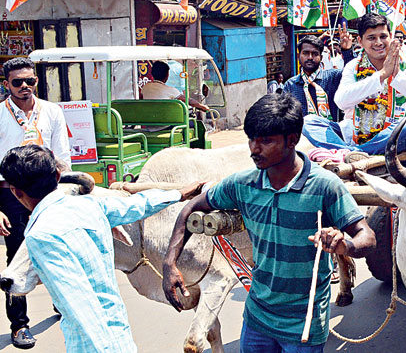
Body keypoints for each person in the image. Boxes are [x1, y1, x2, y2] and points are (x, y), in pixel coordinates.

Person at [162, 94, 375, 352]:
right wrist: (169, 263)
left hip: (304, 324)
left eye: (265, 141)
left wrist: (346, 246)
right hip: (257, 320)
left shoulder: (325, 186)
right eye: (251, 139)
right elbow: (191, 207)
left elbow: (367, 237)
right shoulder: (242, 184)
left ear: (292, 140)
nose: (254, 148)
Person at [0, 144, 203, 352]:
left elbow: (80, 307)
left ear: (15, 192)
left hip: (90, 344)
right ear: (58, 174)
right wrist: (178, 194)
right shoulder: (90, 206)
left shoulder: (40, 236)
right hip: (119, 335)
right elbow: (137, 205)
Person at [0, 57, 73, 349]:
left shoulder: (52, 111)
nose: (24, 87)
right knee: (18, 258)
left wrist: (67, 195)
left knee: (55, 249)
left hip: (47, 190)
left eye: (29, 81)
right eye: (17, 82)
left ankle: (61, 305)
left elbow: (63, 157)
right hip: (11, 192)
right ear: (6, 85)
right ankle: (19, 325)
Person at [307, 14, 406, 154]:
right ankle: (356, 151)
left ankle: (355, 153)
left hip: (400, 140)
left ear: (390, 36)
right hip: (357, 136)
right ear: (360, 41)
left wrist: (399, 78)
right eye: (371, 38)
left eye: (383, 36)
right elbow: (341, 101)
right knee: (310, 122)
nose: (378, 43)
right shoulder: (354, 66)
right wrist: (382, 75)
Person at [283, 32, 353, 122]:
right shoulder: (290, 85)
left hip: (332, 133)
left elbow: (351, 73)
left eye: (315, 54)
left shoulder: (333, 78)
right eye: (305, 53)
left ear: (321, 57)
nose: (310, 57)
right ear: (298, 56)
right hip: (301, 135)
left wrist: (347, 50)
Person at [141, 60, 210, 112]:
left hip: (149, 124)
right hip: (167, 125)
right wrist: (203, 107)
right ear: (167, 75)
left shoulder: (145, 88)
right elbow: (189, 101)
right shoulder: (171, 90)